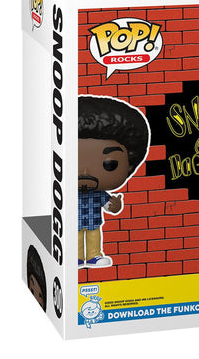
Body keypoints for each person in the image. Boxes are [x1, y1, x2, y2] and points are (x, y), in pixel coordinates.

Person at [78, 96, 150, 268]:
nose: (86, 173)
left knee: (94, 236)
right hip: (74, 222)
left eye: (110, 164)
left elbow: (109, 206)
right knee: (76, 237)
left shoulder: (99, 194)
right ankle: (77, 257)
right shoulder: (64, 192)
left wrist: (115, 205)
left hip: (93, 222)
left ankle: (94, 256)